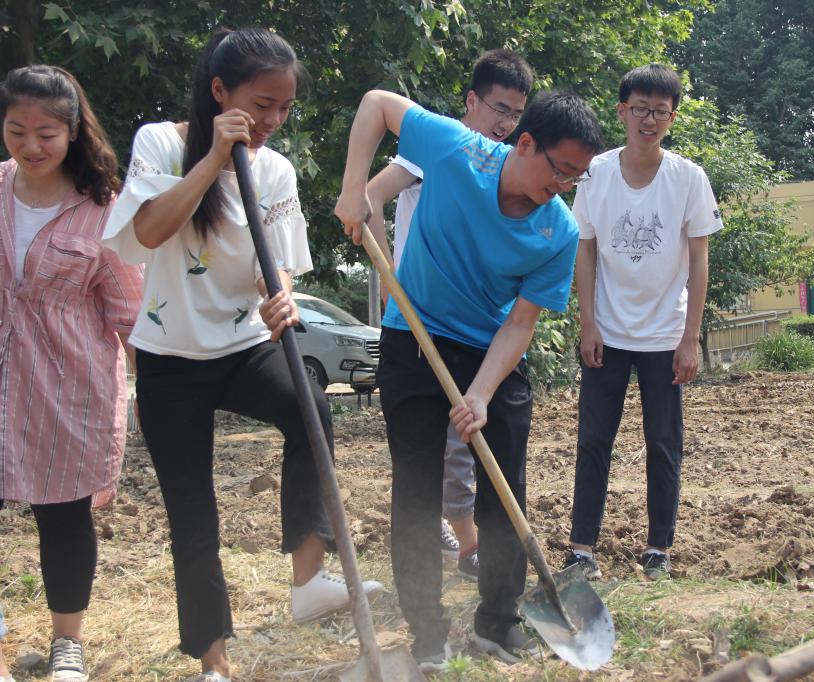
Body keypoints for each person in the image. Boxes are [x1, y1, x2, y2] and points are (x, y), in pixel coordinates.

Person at [102, 28, 381, 681]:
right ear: (219, 91)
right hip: (169, 359)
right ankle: (214, 663)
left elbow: (271, 265)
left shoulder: (275, 169)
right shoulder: (161, 143)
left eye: (284, 107)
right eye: (261, 104)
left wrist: (278, 297)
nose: (272, 120)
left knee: (311, 409)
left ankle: (309, 582)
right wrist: (214, 160)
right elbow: (147, 232)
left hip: (243, 347)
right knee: (193, 514)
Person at [335, 88, 602, 670]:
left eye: (576, 177)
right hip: (415, 338)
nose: (563, 185)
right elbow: (376, 104)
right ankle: (426, 629)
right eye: (560, 169)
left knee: (505, 488)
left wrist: (480, 394)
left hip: (490, 351)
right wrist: (355, 189)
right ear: (525, 143)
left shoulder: (558, 233)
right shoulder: (457, 150)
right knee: (416, 487)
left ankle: (499, 619)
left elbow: (520, 323)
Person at [366, 49, 534, 581]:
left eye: (515, 115)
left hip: (474, 323)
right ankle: (467, 547)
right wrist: (392, 284)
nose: (505, 124)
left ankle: (473, 548)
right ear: (472, 100)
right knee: (445, 447)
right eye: (499, 109)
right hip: (420, 319)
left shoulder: (501, 166)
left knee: (468, 437)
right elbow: (370, 196)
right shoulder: (439, 145)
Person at [0, 64, 145, 682]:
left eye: (46, 135)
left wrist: (157, 394)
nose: (30, 146)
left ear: (72, 133)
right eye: (16, 131)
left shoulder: (103, 210)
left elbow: (129, 311)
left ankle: (67, 643)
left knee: (61, 514)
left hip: (67, 385)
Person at [561, 64, 722, 582]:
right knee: (594, 440)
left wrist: (690, 337)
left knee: (663, 443)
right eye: (639, 109)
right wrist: (588, 323)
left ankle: (658, 550)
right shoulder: (596, 173)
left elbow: (699, 259)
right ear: (622, 111)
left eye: (659, 111)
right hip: (607, 332)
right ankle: (581, 549)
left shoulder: (688, 178)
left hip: (664, 335)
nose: (648, 120)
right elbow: (585, 250)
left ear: (672, 117)